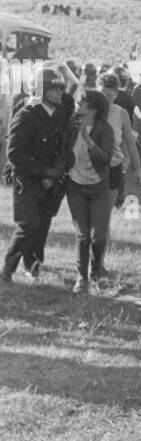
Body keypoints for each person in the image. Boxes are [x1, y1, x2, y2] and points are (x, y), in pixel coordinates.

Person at [2, 66, 75, 284]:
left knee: (43, 224)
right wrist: (43, 172)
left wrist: (54, 174)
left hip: (52, 179)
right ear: (41, 90)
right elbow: (14, 153)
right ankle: (7, 269)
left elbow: (63, 145)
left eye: (60, 89)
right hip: (27, 178)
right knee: (28, 224)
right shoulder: (27, 113)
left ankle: (33, 266)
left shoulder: (61, 112)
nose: (59, 93)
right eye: (54, 89)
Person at [63, 88, 116, 294]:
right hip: (75, 185)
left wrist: (87, 138)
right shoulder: (72, 123)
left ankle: (95, 275)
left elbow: (105, 159)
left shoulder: (105, 129)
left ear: (93, 109)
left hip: (98, 187)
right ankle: (81, 278)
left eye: (82, 102)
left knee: (98, 236)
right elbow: (64, 149)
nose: (78, 103)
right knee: (83, 235)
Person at [98, 71, 141, 214]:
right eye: (102, 94)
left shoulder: (121, 114)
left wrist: (138, 171)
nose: (104, 99)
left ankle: (103, 237)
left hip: (112, 168)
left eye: (109, 95)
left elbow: (130, 144)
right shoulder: (86, 110)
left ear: (116, 95)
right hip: (89, 169)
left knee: (104, 215)